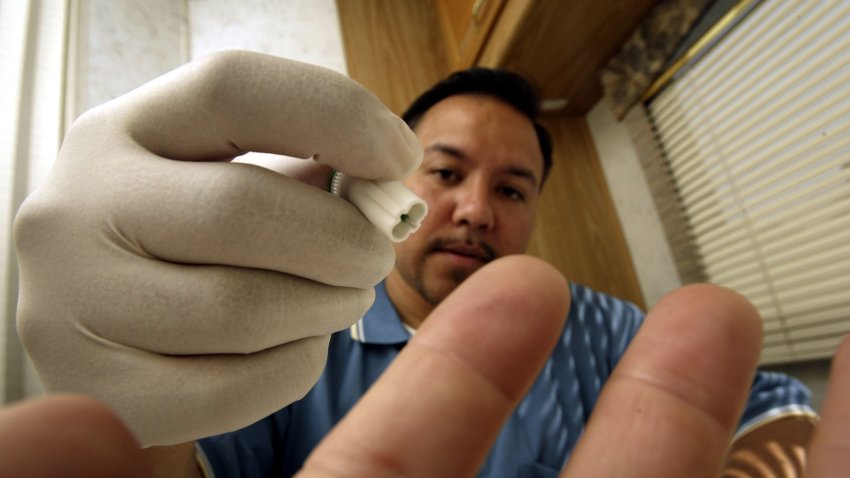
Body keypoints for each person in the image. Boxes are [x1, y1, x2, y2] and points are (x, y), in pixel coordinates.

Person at [11, 51, 830, 477]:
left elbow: (774, 407)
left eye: (512, 189)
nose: (475, 210)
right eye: (444, 173)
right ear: (384, 179)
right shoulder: (289, 334)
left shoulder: (600, 327)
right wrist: (137, 408)